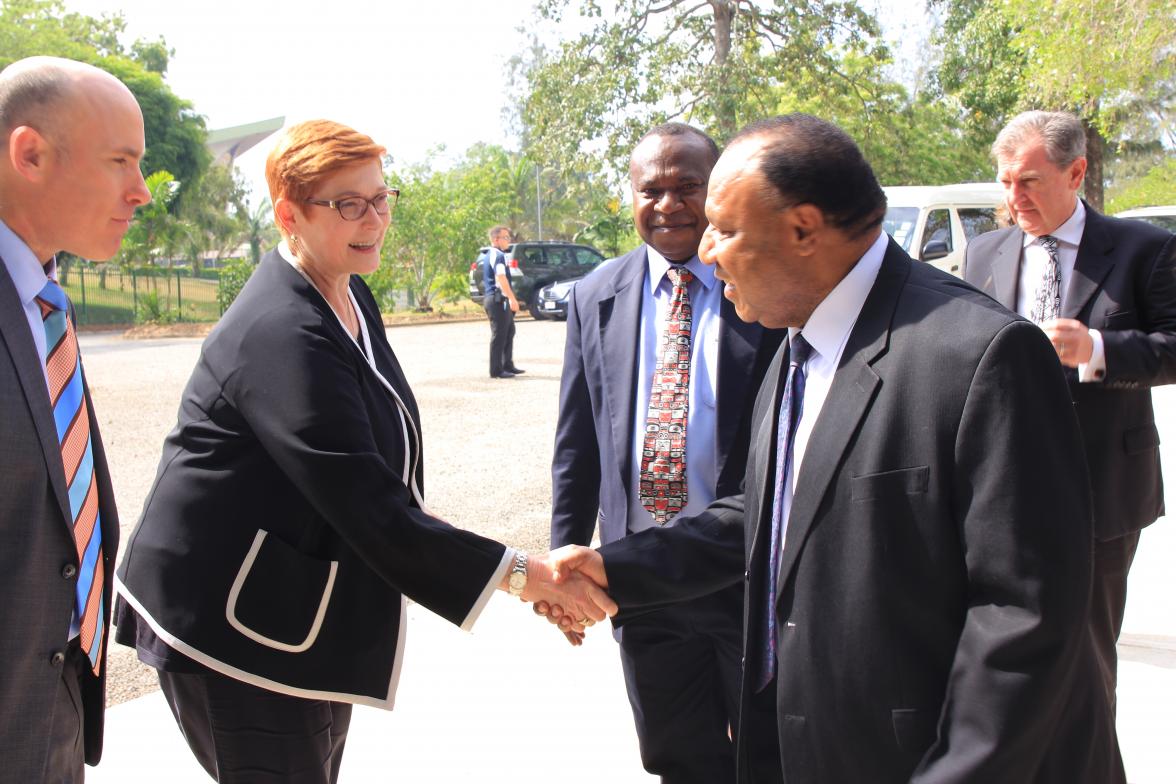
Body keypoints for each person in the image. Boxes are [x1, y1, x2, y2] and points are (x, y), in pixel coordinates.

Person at [548, 114, 1122, 783]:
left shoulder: (979, 355)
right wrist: (613, 567)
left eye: (725, 229)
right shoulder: (798, 345)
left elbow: (1023, 618)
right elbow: (767, 519)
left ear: (802, 229)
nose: (706, 251)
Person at [112, 120, 614, 784]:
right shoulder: (280, 330)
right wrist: (529, 577)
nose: (374, 218)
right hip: (228, 620)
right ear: (288, 213)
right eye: (348, 203)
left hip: (293, 603)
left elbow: (381, 466)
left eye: (381, 198)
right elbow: (364, 500)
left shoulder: (345, 286)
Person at [549, 122, 783, 783]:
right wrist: (566, 569)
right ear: (630, 196)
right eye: (651, 190)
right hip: (639, 578)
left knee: (771, 754)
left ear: (718, 193)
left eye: (688, 187)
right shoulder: (595, 295)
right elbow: (578, 445)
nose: (669, 205)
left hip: (747, 574)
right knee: (678, 757)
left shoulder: (764, 285)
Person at [963, 110, 1176, 719]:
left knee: (1087, 657)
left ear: (1076, 172)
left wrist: (1098, 350)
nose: (1013, 197)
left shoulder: (1145, 250)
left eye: (1028, 181)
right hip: (997, 490)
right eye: (1004, 181)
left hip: (1100, 488)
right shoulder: (984, 253)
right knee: (1004, 654)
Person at [0, 56, 151, 781]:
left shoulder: (44, 300)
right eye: (120, 161)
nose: (141, 191)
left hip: (54, 704)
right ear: (29, 153)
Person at [482, 224, 523, 378]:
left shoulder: (497, 254)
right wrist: (512, 299)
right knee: (499, 334)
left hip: (501, 299)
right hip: (497, 299)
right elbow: (501, 278)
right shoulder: (497, 255)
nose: (508, 240)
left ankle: (507, 364)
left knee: (509, 331)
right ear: (496, 239)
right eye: (505, 237)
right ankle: (496, 370)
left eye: (508, 237)